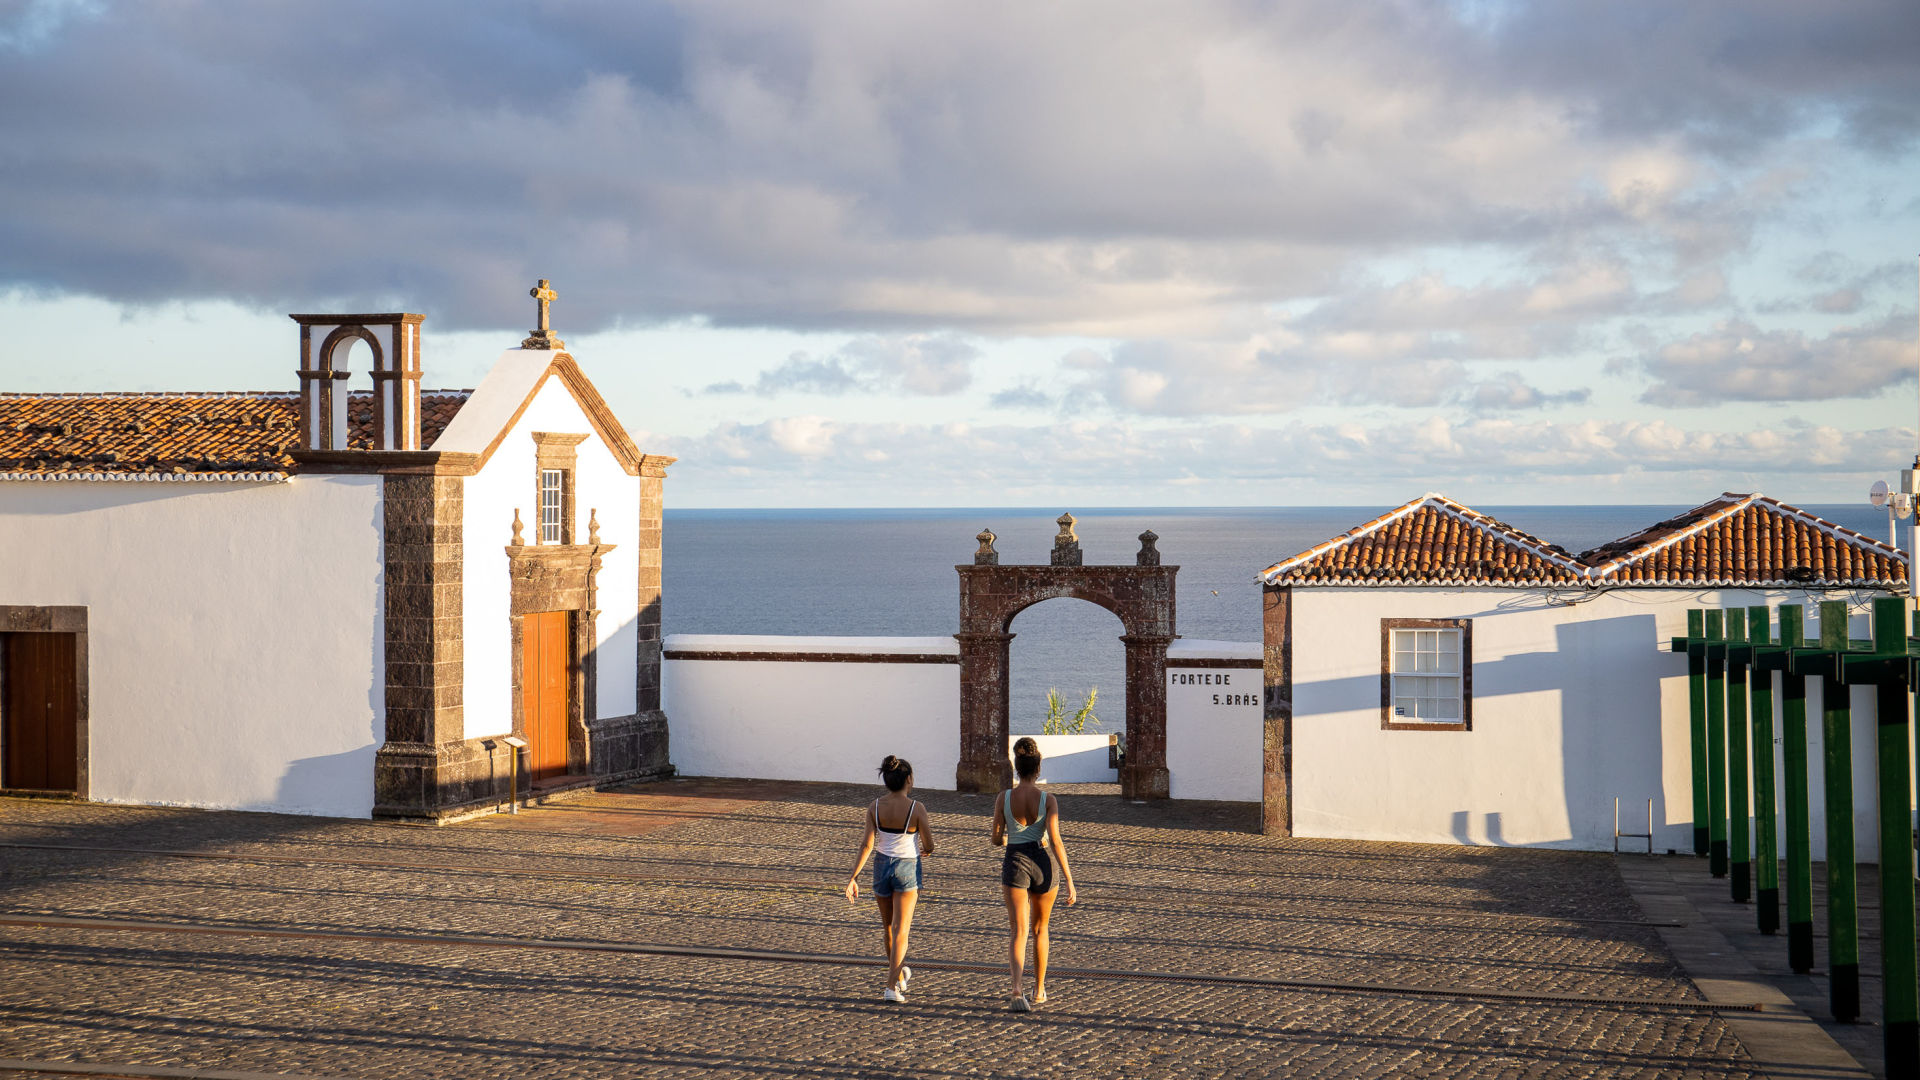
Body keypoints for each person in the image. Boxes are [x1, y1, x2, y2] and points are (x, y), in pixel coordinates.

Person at [990, 736, 1077, 1011]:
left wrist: (1012, 839)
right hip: (1043, 863)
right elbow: (1056, 840)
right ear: (1038, 769)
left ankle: (1017, 990)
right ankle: (1039, 990)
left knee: (1018, 930)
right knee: (1041, 929)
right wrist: (1070, 881)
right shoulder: (1048, 799)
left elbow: (995, 839)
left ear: (1016, 768)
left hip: (1015, 860)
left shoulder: (1003, 798)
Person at [845, 754, 934, 1003]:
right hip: (907, 867)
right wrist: (928, 848)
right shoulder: (917, 808)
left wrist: (853, 877)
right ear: (909, 779)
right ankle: (890, 987)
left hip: (881, 866)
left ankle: (899, 975)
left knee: (888, 929)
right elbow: (929, 843)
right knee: (901, 931)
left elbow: (866, 845)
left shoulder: (874, 807)